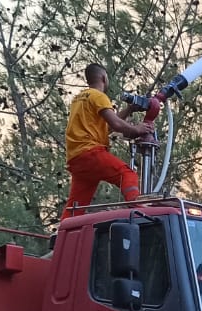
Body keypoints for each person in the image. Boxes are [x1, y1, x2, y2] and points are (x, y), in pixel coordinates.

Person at [60, 63, 155, 220]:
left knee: (75, 207)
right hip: (91, 153)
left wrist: (129, 109)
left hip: (77, 159)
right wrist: (137, 129)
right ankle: (140, 213)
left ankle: (61, 238)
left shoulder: (79, 99)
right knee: (127, 174)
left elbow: (107, 128)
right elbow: (116, 124)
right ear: (104, 78)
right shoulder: (99, 97)